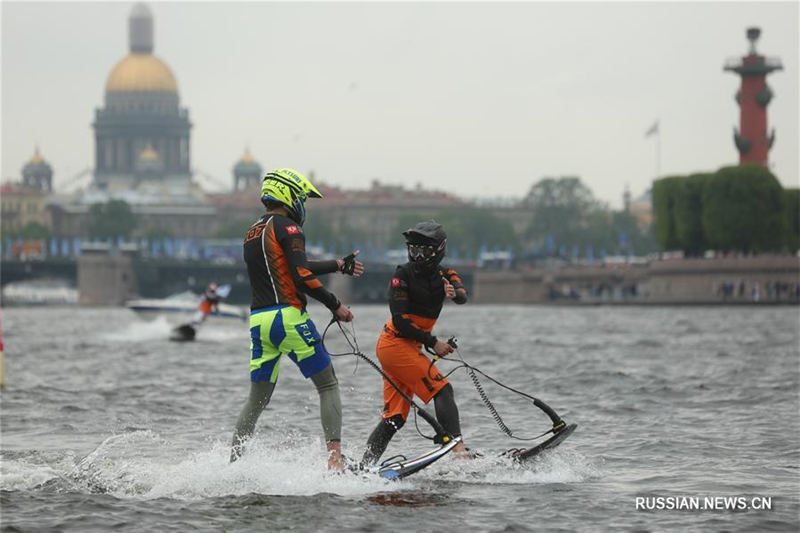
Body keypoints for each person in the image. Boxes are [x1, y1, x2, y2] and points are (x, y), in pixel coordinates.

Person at [230, 168, 364, 471]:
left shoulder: (253, 231)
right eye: (302, 197)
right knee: (327, 385)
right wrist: (335, 305)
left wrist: (337, 265)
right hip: (287, 318)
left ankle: (234, 465)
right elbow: (301, 275)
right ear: (289, 195)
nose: (304, 203)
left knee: (257, 400)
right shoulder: (290, 228)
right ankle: (335, 460)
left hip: (259, 322)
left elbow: (292, 267)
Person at [361, 221, 469, 466]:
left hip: (409, 347)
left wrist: (455, 294)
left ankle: (364, 467)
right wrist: (434, 342)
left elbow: (462, 295)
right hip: (394, 344)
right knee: (442, 389)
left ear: (438, 250)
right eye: (413, 250)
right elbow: (400, 323)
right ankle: (459, 452)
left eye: (424, 251)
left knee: (395, 417)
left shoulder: (446, 274)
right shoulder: (402, 276)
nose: (418, 256)